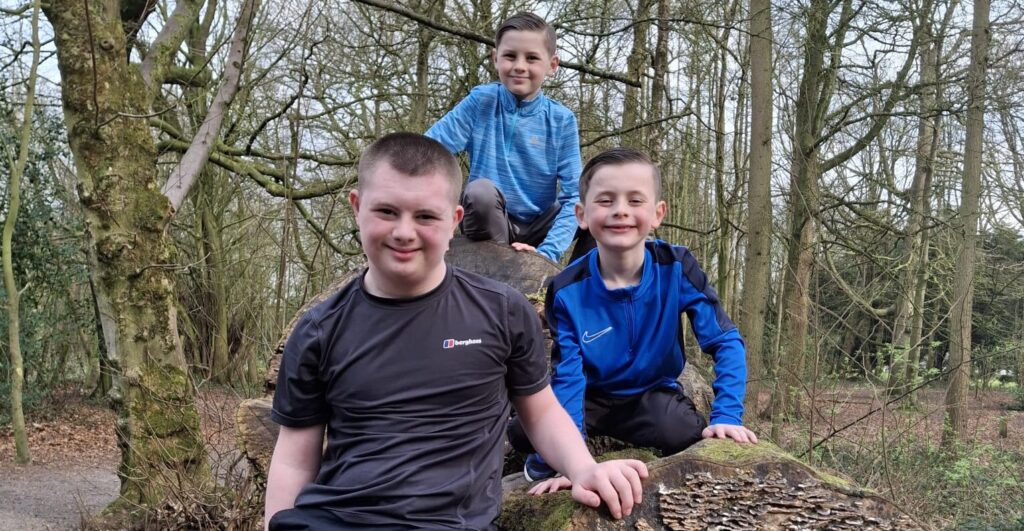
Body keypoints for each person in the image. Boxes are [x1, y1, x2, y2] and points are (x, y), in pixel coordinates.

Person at [264, 133, 647, 530]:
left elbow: (542, 412)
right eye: (386, 212)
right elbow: (294, 457)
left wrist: (584, 468)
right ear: (357, 209)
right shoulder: (318, 331)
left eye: (425, 216)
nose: (404, 232)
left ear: (455, 221)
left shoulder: (503, 312)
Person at [507, 147, 758, 493]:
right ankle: (553, 455)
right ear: (582, 214)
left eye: (635, 201)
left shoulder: (677, 266)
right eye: (606, 201)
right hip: (590, 397)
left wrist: (728, 415)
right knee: (523, 431)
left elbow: (725, 341)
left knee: (685, 432)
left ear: (658, 213)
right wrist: (571, 463)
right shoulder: (566, 290)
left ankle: (613, 436)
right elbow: (568, 376)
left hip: (650, 394)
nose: (621, 211)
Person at [425, 12, 594, 263]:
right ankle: (493, 268)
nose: (519, 66)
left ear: (552, 65)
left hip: (540, 227)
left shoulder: (562, 120)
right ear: (496, 58)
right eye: (510, 56)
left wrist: (547, 253)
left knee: (597, 206)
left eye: (532, 58)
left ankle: (573, 285)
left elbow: (572, 194)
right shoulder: (481, 102)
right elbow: (429, 150)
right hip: (491, 223)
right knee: (479, 191)